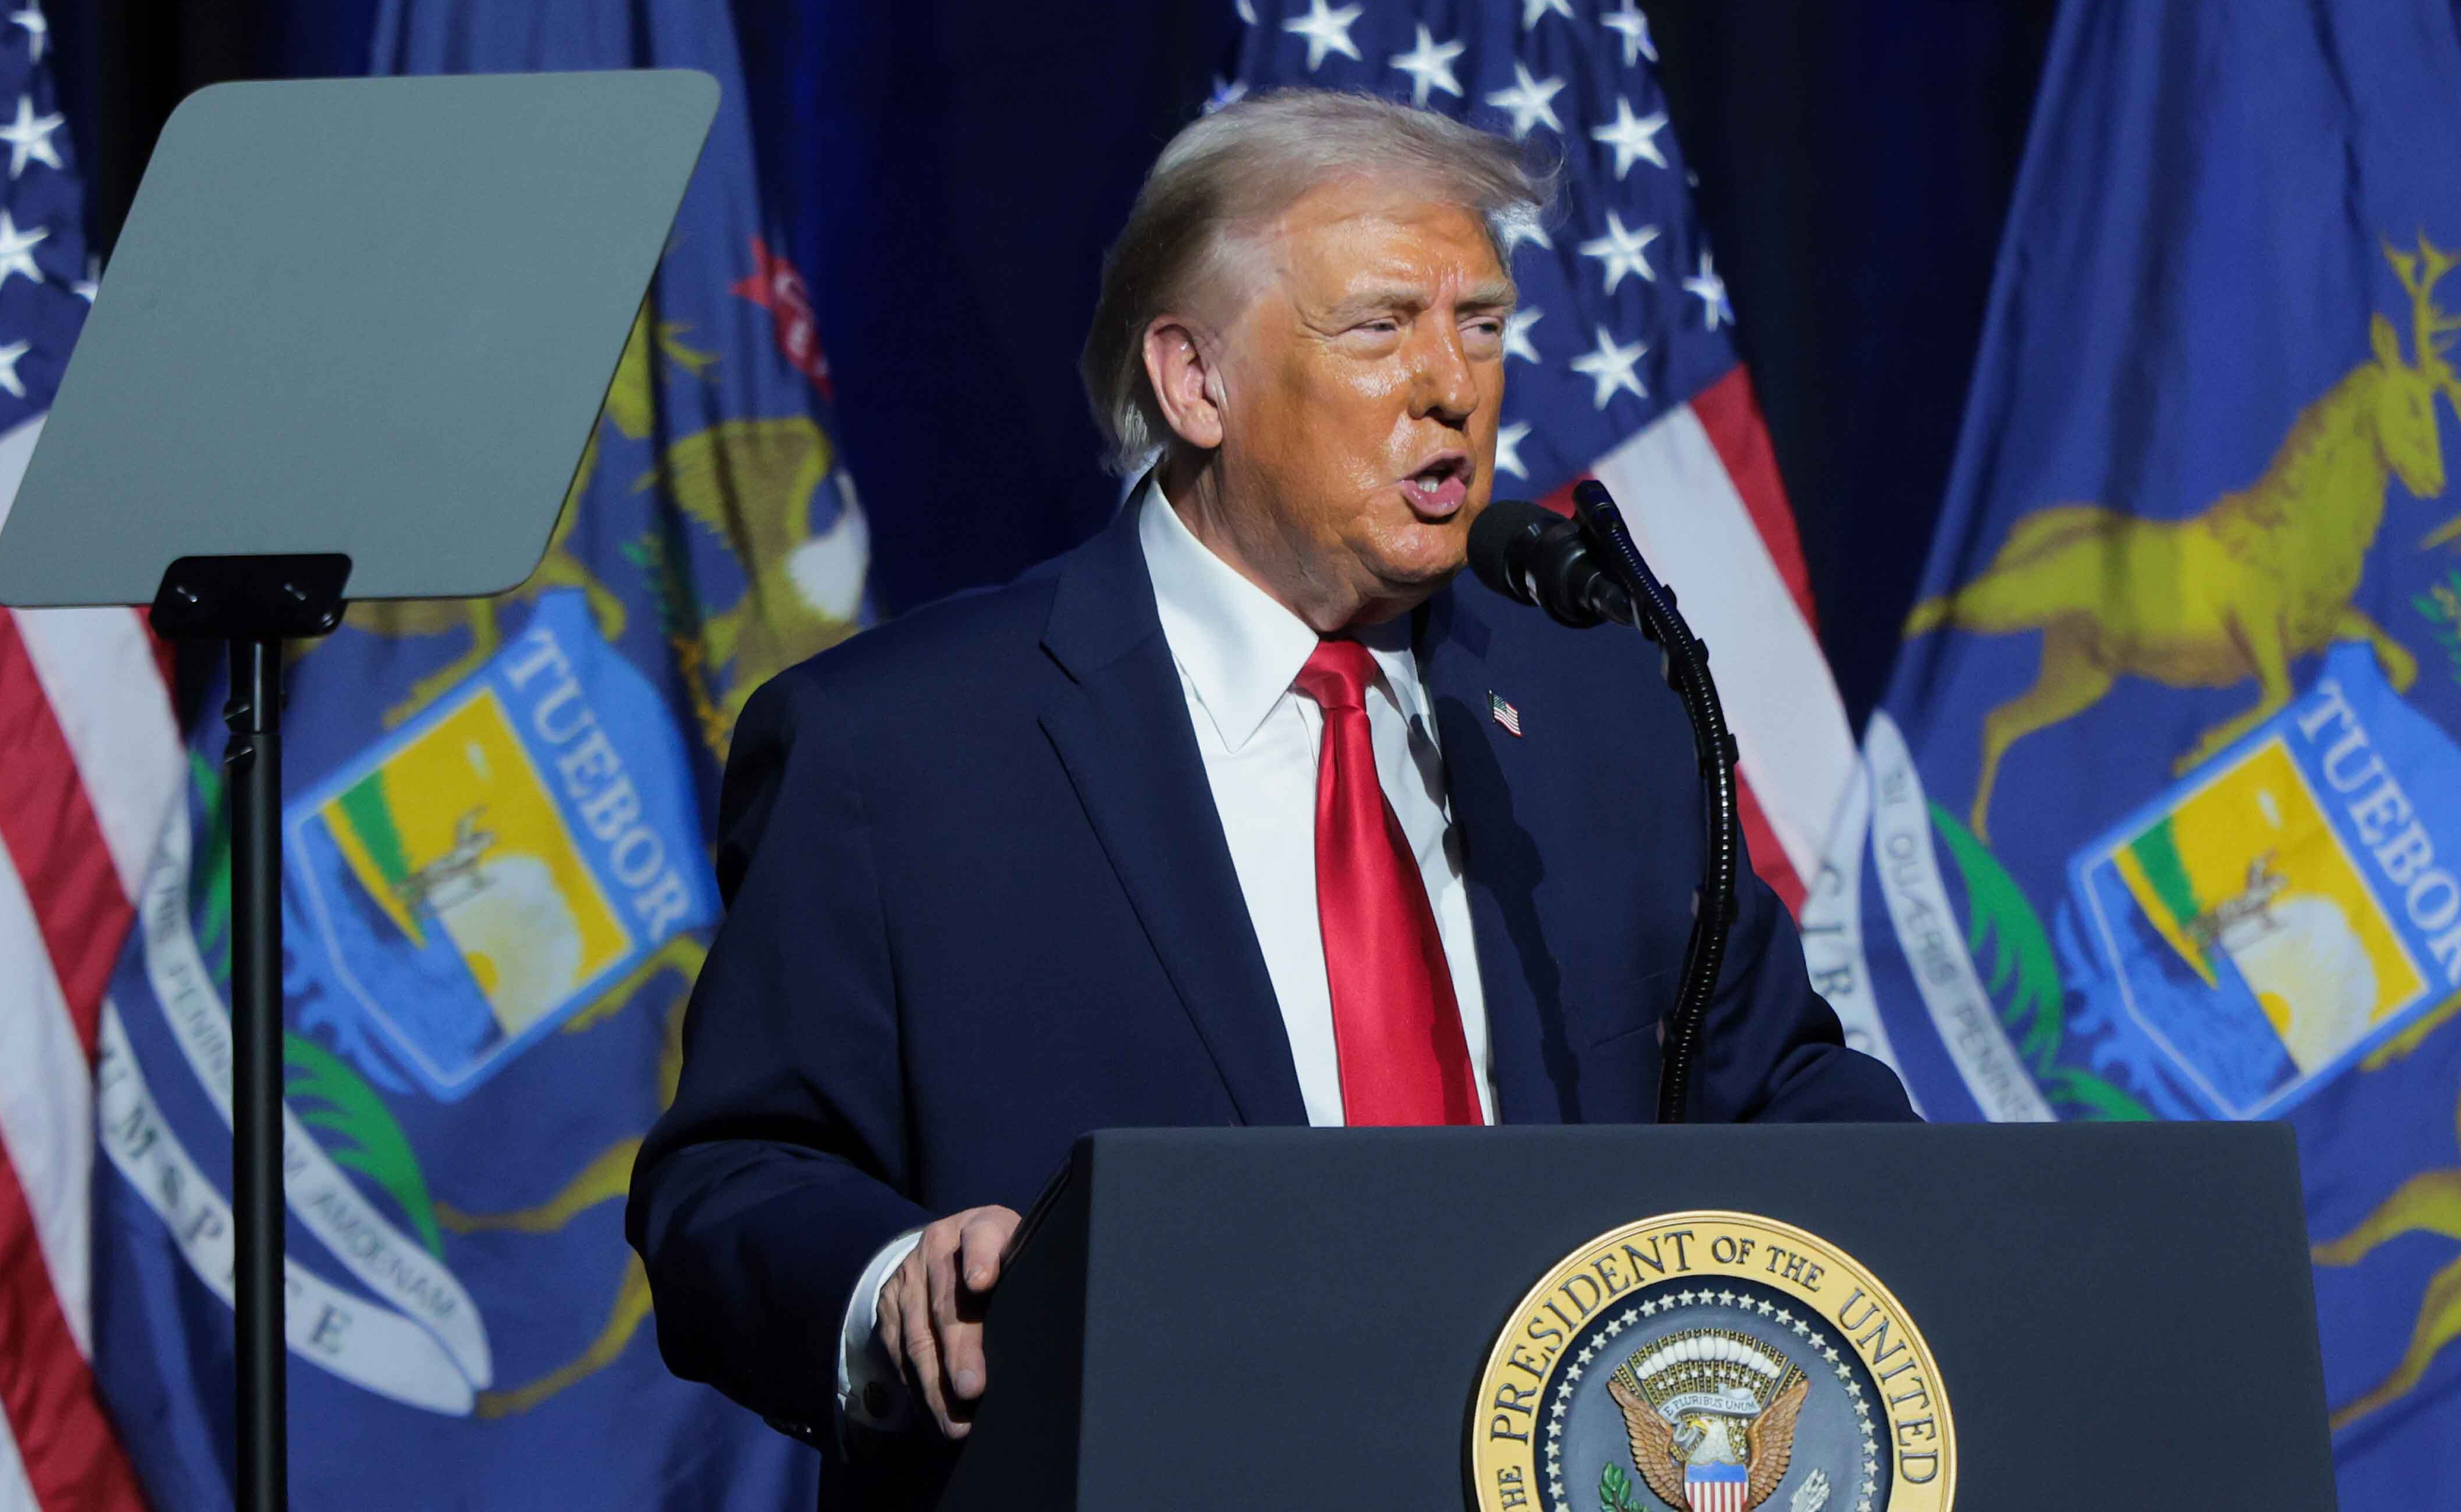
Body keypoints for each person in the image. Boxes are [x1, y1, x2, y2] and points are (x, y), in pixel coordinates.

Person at [626, 89, 1914, 1504]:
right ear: (1194, 383)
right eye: (1380, 327)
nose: (1454, 384)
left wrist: (1951, 1252)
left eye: (1481, 322)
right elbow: (730, 1184)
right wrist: (890, 1291)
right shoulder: (899, 750)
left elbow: (1778, 1095)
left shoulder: (1610, 707)